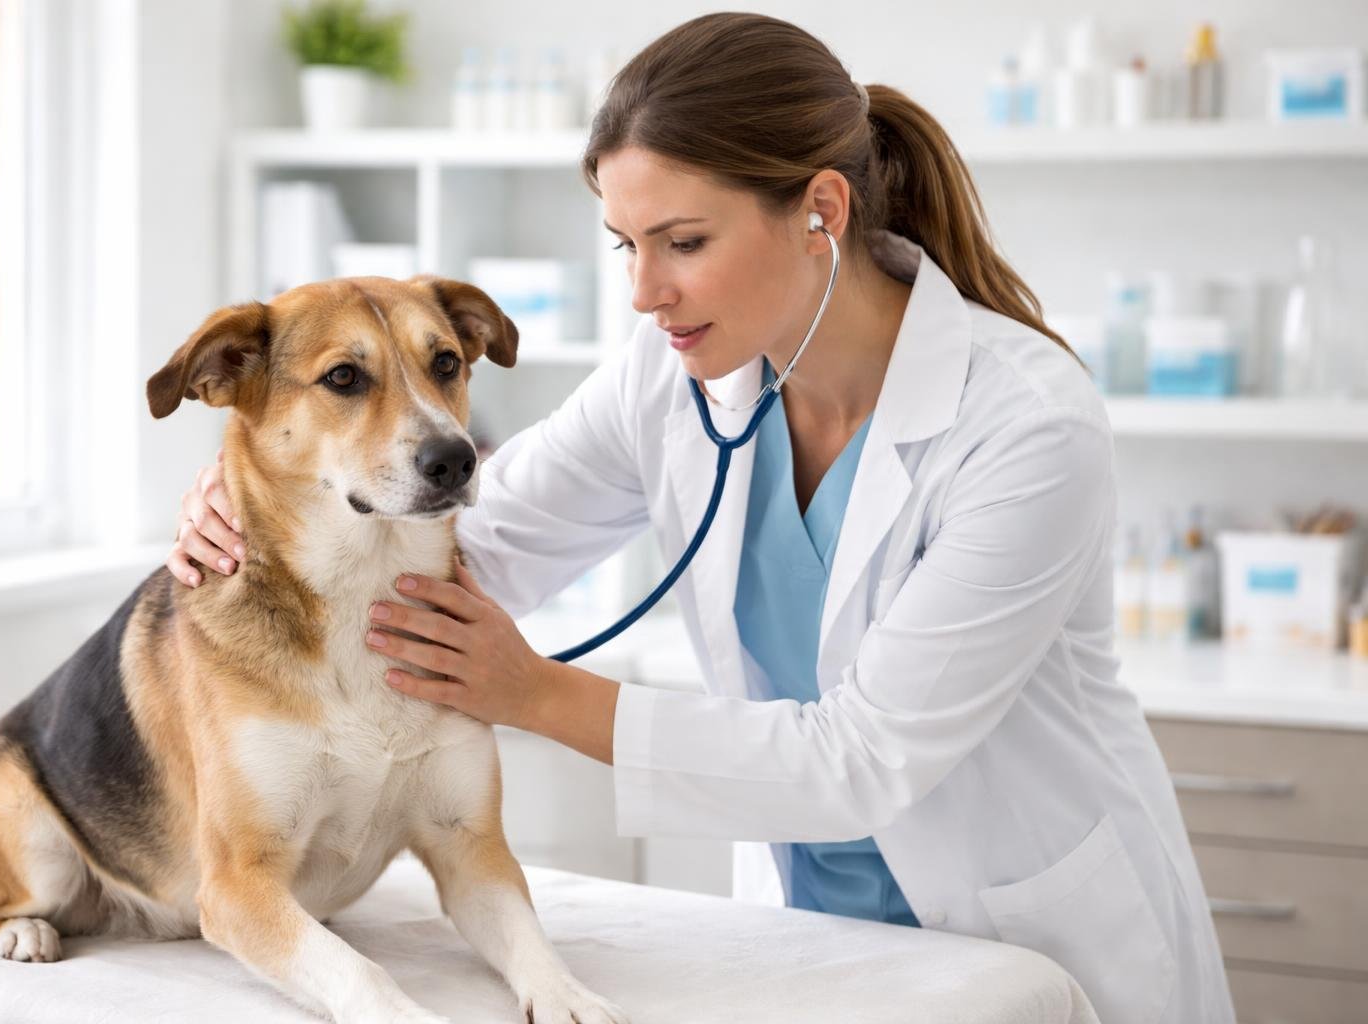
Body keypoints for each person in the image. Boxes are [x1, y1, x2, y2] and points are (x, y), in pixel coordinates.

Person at [169, 14, 1232, 1023]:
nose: (644, 292)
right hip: (816, 930)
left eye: (681, 241)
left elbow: (863, 758)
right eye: (625, 243)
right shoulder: (672, 378)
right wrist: (263, 507)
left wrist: (534, 692)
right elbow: (471, 552)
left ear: (821, 210)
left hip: (1029, 933)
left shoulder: (1026, 425)